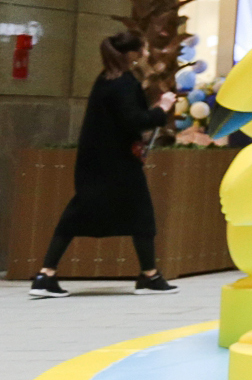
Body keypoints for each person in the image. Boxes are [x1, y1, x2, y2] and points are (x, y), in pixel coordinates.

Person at [31, 33, 178, 297]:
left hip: (97, 162)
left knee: (79, 213)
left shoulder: (106, 80)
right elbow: (134, 120)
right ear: (132, 54)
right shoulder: (124, 83)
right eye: (144, 49)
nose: (147, 53)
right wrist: (162, 108)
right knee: (140, 214)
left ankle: (46, 274)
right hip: (118, 164)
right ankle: (149, 276)